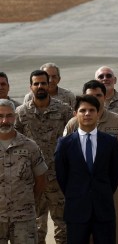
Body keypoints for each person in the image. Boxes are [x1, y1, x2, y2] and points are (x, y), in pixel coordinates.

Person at [63, 80, 118, 244]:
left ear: (105, 97)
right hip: (82, 188)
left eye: (98, 95)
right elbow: (64, 158)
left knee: (113, 229)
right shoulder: (73, 124)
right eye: (90, 96)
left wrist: (113, 167)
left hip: (110, 185)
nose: (95, 99)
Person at [15, 70, 73, 244]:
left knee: (63, 225)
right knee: (35, 226)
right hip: (31, 178)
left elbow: (73, 139)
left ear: (49, 85)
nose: (40, 86)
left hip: (58, 177)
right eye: (36, 83)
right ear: (30, 87)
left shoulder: (63, 110)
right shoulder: (21, 112)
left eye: (43, 83)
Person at [54, 95, 118, 244]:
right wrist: (77, 194)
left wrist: (101, 192)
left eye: (92, 110)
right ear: (75, 114)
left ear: (98, 113)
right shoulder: (64, 144)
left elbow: (114, 175)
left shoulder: (110, 142)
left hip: (103, 210)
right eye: (83, 110)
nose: (87, 114)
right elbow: (62, 176)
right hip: (76, 210)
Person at [0, 99, 47, 243]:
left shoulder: (30, 146)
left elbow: (41, 179)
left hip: (23, 218)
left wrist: (27, 201)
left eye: (9, 116)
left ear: (14, 117)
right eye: (0, 116)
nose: (4, 120)